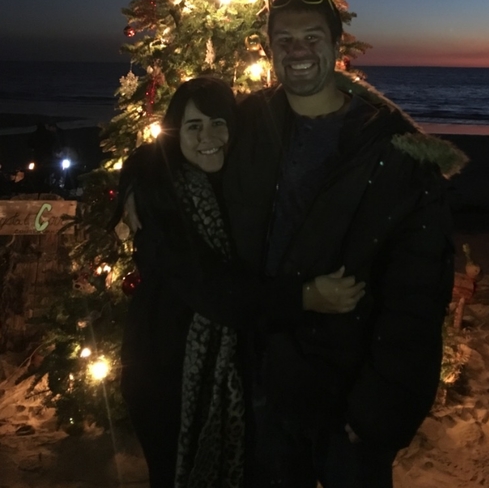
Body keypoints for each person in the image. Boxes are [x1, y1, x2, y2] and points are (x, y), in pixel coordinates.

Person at [221, 0, 468, 487]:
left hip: (350, 394)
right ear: (268, 49)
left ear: (337, 46)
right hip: (266, 383)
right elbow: (178, 147)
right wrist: (140, 180)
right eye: (284, 39)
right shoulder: (247, 123)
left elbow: (418, 292)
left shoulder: (392, 149)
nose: (298, 51)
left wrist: (380, 410)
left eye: (312, 37)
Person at [111, 76, 365, 488]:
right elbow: (209, 288)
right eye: (193, 126)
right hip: (164, 374)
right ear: (176, 132)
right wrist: (304, 297)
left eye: (219, 123)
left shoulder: (232, 181)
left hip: (228, 371)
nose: (208, 138)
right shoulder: (162, 198)